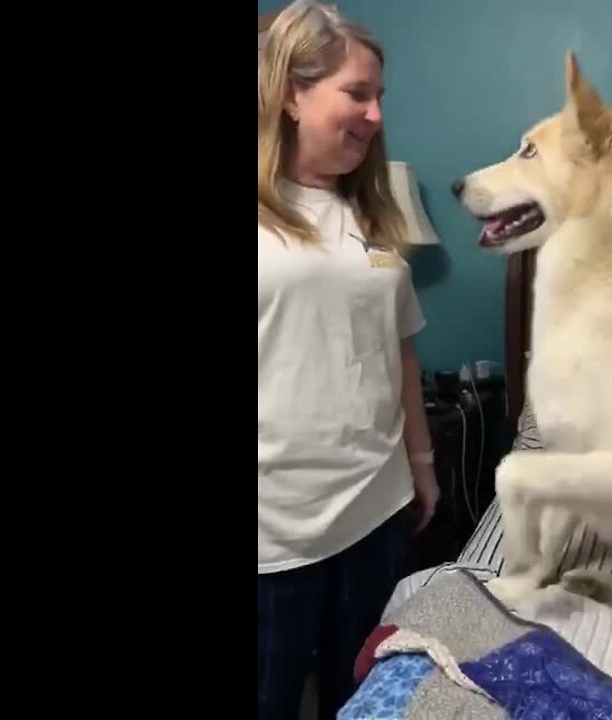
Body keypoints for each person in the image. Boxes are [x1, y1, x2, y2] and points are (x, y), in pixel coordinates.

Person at [257, 1, 439, 716]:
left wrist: (422, 468)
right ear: (291, 93)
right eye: (356, 94)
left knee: (363, 699)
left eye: (378, 98)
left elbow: (401, 351)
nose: (373, 114)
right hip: (277, 527)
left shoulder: (374, 217)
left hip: (376, 510)